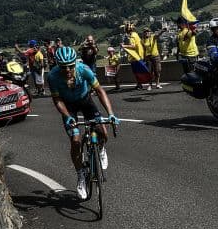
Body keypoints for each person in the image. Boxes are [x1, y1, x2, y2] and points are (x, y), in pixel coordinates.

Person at [47, 45, 119, 199]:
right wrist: (67, 116)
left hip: (85, 101)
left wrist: (111, 114)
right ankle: (80, 175)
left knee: (103, 132)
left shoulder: (84, 69)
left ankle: (101, 148)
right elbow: (57, 99)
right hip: (68, 106)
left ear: (75, 63)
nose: (67, 70)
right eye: (63, 67)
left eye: (70, 66)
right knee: (75, 140)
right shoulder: (53, 76)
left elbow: (100, 91)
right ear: (58, 65)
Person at [121, 22, 149, 90]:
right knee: (138, 71)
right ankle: (139, 84)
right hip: (139, 55)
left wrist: (124, 46)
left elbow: (133, 46)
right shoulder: (135, 34)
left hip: (136, 56)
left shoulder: (132, 36)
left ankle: (140, 84)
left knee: (136, 72)